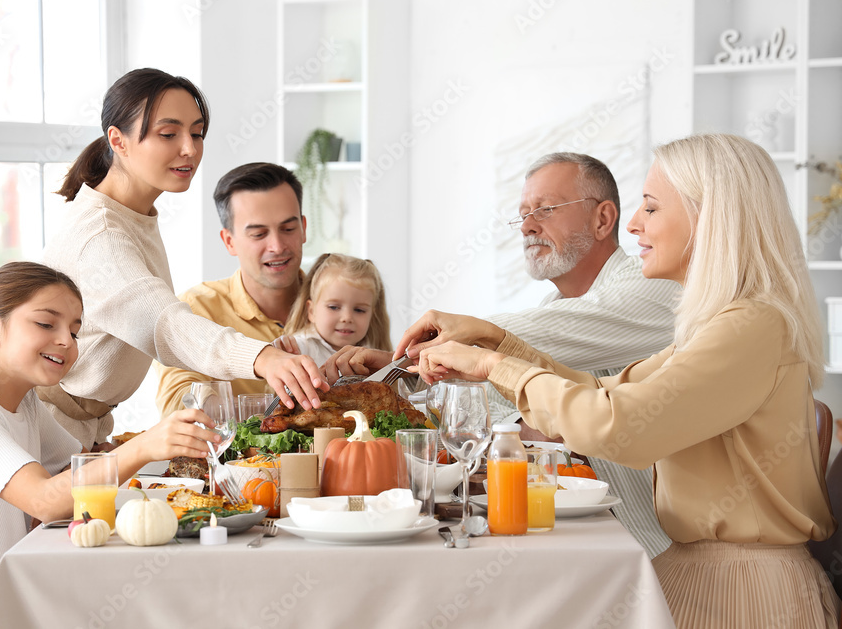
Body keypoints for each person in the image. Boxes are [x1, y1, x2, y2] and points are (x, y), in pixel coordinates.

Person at [405, 134, 839, 628]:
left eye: (651, 209)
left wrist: (493, 365)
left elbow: (621, 425)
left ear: (711, 218)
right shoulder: (726, 323)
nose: (634, 224)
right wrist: (495, 343)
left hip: (742, 593)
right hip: (702, 572)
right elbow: (605, 393)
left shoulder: (750, 326)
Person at [325, 152, 680, 558]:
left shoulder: (652, 288)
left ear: (603, 219)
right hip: (583, 539)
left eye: (546, 210)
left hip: (645, 546)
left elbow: (532, 344)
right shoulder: (554, 304)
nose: (528, 226)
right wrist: (400, 374)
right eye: (523, 214)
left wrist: (422, 354)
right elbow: (494, 391)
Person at [0, 262, 223, 628]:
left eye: (75, 332)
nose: (66, 341)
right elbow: (46, 501)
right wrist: (144, 447)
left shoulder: (25, 404)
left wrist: (161, 439)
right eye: (47, 324)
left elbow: (79, 469)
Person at [41, 70, 325, 448]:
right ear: (118, 140)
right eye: (168, 133)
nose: (189, 149)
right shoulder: (101, 236)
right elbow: (165, 326)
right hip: (44, 430)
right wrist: (263, 357)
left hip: (81, 430)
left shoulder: (134, 214)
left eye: (197, 132)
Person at [154, 162, 311, 416]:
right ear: (229, 241)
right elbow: (179, 406)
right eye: (259, 234)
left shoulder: (344, 303)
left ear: (304, 228)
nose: (277, 245)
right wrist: (273, 407)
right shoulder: (194, 309)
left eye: (288, 229)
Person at [273, 252, 393, 366]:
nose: (347, 318)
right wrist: (281, 352)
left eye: (359, 310)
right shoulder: (300, 347)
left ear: (372, 315)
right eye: (334, 307)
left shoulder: (374, 353)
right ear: (312, 311)